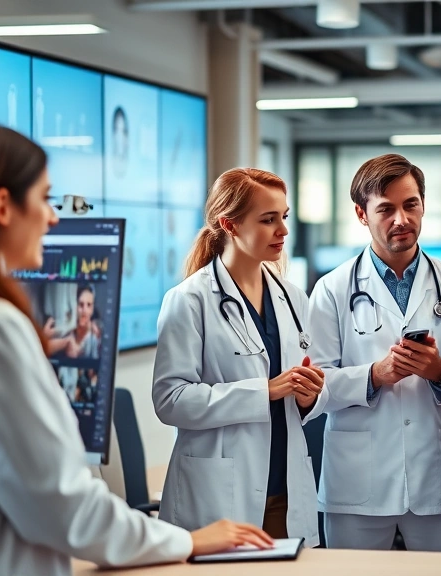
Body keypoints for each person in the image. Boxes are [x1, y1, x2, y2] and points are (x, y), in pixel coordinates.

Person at [0, 110, 271, 576]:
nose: (52, 217)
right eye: (44, 199)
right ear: (2, 206)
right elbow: (62, 506)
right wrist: (187, 539)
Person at [307, 153, 441, 552]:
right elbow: (313, 387)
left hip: (436, 474)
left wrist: (440, 371)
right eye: (386, 208)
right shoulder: (332, 289)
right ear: (362, 214)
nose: (401, 219)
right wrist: (374, 376)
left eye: (410, 204)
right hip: (357, 479)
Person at [152, 168, 326, 542]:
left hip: (286, 488)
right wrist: (264, 391)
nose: (282, 230)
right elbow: (170, 401)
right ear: (229, 225)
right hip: (220, 494)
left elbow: (299, 396)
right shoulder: (189, 300)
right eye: (268, 220)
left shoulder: (293, 298)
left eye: (284, 217)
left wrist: (309, 396)